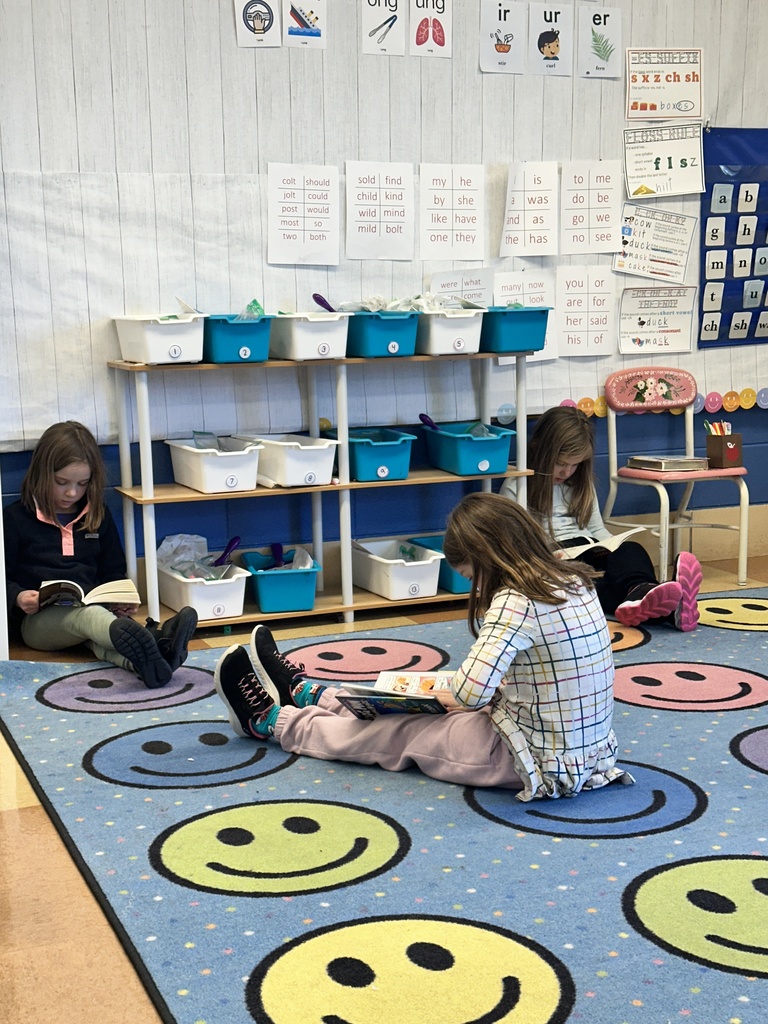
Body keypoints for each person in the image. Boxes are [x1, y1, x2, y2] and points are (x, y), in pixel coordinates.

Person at [213, 492, 632, 801]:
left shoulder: (515, 602)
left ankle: (274, 722)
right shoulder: (572, 580)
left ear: (488, 559)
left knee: (400, 729)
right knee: (415, 692)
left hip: (526, 757)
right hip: (577, 748)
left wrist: (435, 695)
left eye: (472, 578)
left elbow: (470, 694)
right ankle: (313, 695)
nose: (475, 588)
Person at [3, 421, 198, 688]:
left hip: (94, 611)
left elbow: (113, 571)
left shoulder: (98, 515)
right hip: (37, 624)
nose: (72, 492)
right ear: (41, 473)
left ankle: (156, 665)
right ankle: (155, 636)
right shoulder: (15, 519)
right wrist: (17, 597)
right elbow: (4, 578)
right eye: (62, 482)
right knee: (90, 619)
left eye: (82, 484)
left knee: (99, 639)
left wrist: (120, 601)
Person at [499, 406, 702, 631]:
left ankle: (641, 589)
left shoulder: (579, 485)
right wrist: (544, 558)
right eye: (561, 463)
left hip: (590, 547)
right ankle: (670, 609)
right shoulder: (517, 487)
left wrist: (613, 547)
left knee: (630, 550)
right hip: (555, 557)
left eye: (575, 465)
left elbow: (597, 530)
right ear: (539, 451)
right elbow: (514, 545)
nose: (567, 472)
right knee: (588, 585)